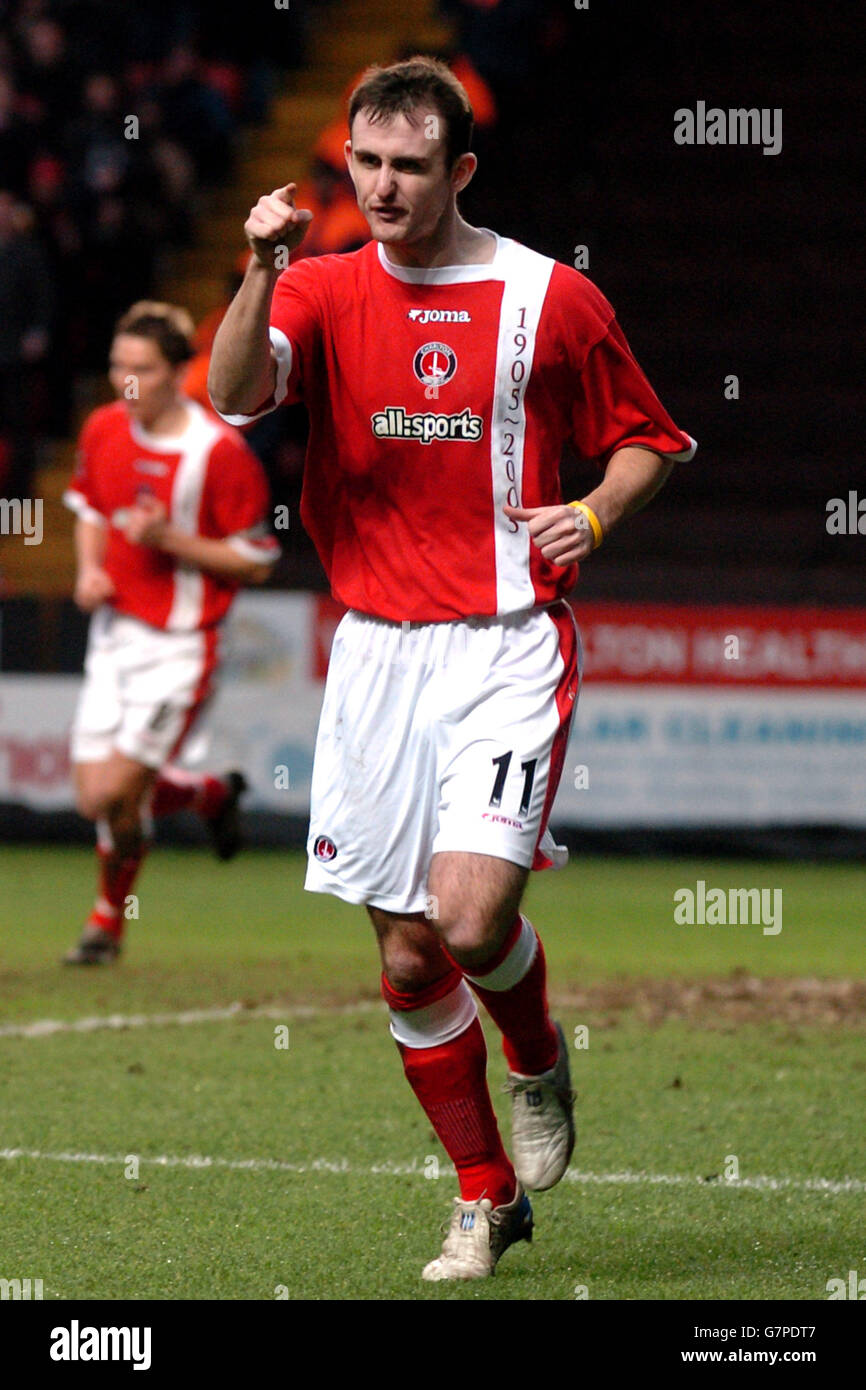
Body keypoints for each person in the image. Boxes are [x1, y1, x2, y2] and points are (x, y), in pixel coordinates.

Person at [208, 56, 696, 1281]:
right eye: (363, 163)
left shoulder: (549, 296)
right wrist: (259, 264)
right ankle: (484, 1197)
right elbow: (233, 395)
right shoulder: (315, 287)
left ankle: (534, 1056)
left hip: (504, 643)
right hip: (371, 650)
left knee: (472, 917)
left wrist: (593, 510)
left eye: (407, 167)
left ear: (458, 170)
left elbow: (649, 438)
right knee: (407, 954)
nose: (379, 186)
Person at [63, 301, 280, 965]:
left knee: (113, 795)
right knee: (91, 797)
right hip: (113, 635)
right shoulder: (103, 426)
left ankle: (106, 924)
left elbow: (257, 560)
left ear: (182, 372)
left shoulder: (218, 453)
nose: (126, 383)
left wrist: (169, 540)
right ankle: (209, 793)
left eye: (143, 370)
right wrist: (90, 571)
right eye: (117, 367)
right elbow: (89, 509)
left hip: (182, 647)